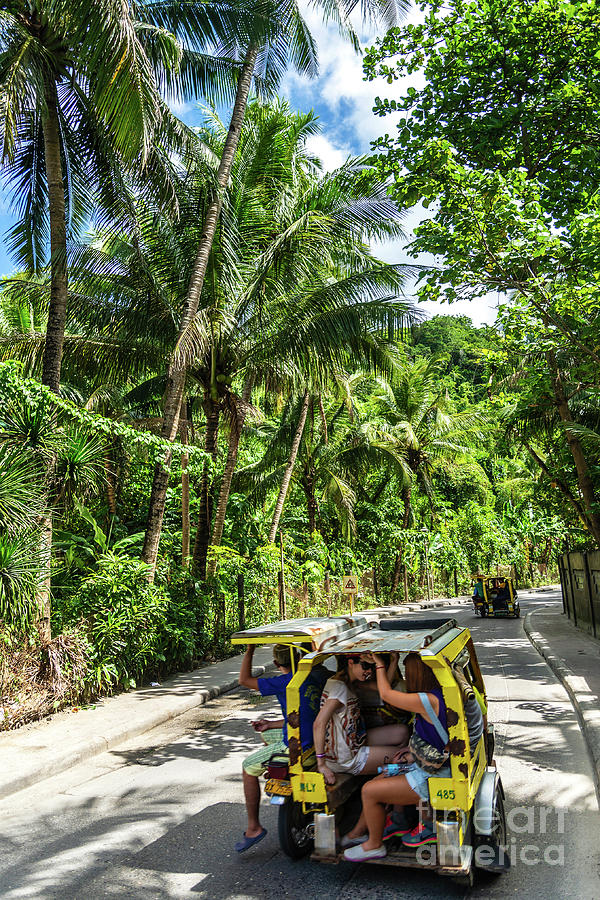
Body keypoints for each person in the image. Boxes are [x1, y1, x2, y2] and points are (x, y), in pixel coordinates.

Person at [342, 651, 452, 861]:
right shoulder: (441, 693)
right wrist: (412, 754)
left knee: (369, 791)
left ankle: (374, 844)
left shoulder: (427, 700)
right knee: (380, 778)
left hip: (434, 775)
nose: (406, 680)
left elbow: (386, 695)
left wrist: (380, 665)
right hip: (428, 764)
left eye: (408, 674)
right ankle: (386, 825)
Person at [235, 643, 326, 853]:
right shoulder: (315, 676)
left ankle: (254, 827)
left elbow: (244, 680)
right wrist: (270, 724)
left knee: (247, 767)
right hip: (317, 740)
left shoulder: (283, 681)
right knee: (265, 732)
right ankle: (278, 770)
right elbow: (300, 715)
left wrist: (249, 651)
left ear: (276, 663)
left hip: (298, 747)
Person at [312, 653, 410, 795]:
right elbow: (319, 723)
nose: (369, 671)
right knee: (404, 758)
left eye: (372, 667)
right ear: (351, 663)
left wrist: (394, 660)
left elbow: (384, 688)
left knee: (402, 731)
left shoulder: (351, 681)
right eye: (365, 666)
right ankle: (386, 796)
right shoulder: (339, 688)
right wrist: (321, 764)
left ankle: (383, 773)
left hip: (354, 740)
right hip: (346, 757)